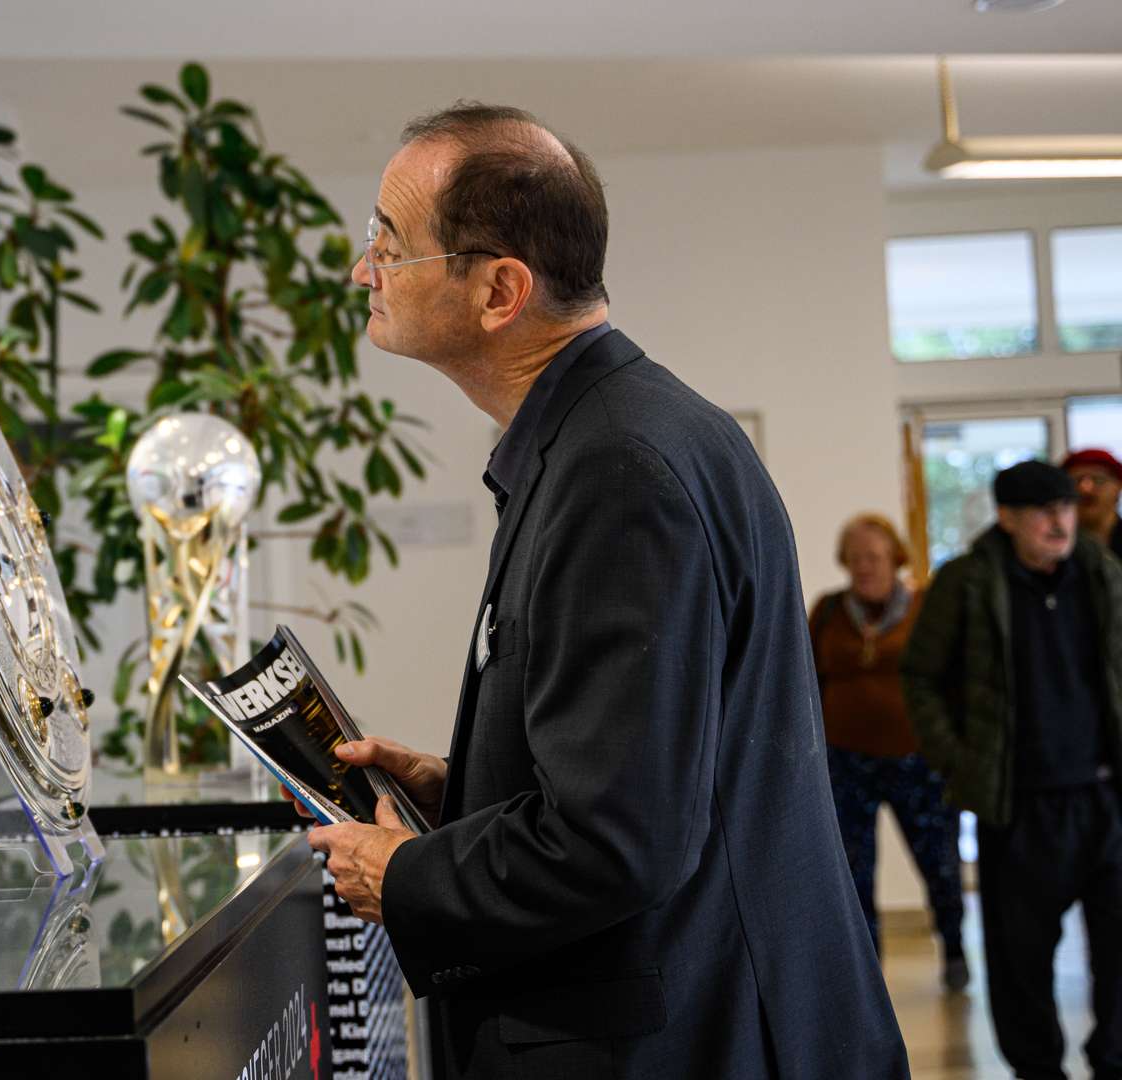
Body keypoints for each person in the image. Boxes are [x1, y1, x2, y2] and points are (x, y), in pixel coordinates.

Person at [300, 102, 908, 1078]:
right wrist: (465, 792)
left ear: (499, 289)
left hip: (683, 1038)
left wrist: (408, 874)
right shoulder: (615, 434)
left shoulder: (619, 467)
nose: (362, 270)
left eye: (387, 242)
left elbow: (618, 840)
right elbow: (656, 774)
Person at [902, 460, 1122, 1080]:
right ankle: (1038, 1071)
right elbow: (921, 678)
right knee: (1022, 960)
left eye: (1067, 510)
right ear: (1007, 518)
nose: (1060, 522)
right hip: (1019, 804)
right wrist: (959, 760)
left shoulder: (1101, 574)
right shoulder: (967, 582)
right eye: (1044, 512)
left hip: (1104, 796)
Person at [809, 513, 966, 988]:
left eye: (873, 557)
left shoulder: (924, 606)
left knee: (939, 862)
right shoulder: (830, 611)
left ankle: (955, 946)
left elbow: (951, 679)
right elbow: (810, 679)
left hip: (917, 759)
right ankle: (867, 966)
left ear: (894, 557)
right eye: (855, 558)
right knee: (852, 871)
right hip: (846, 761)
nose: (864, 567)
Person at [1063, 447, 1122, 561]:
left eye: (1098, 480)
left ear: (1118, 486)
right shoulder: (1053, 546)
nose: (1085, 488)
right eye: (1076, 480)